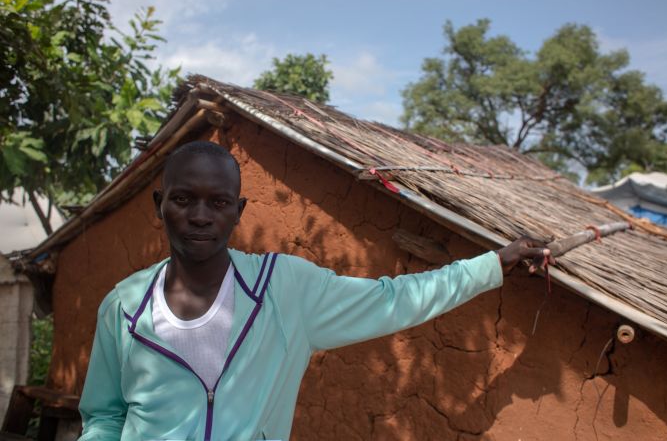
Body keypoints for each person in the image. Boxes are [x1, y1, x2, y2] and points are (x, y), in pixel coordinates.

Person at [78, 141, 552, 441]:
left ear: (238, 211)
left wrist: (492, 265)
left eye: (218, 202)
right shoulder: (124, 306)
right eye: (183, 199)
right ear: (161, 205)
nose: (200, 216)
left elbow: (396, 299)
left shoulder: (284, 288)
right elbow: (104, 417)